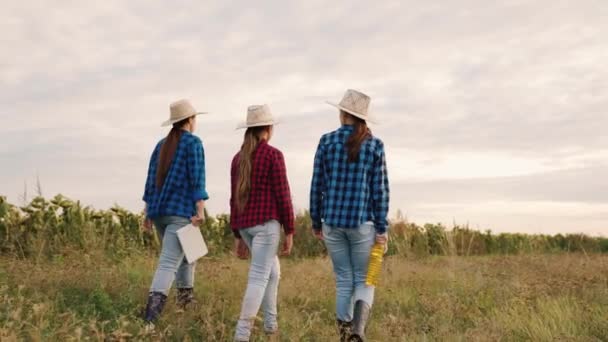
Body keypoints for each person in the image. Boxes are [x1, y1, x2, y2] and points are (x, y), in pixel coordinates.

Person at [310, 89, 390, 342]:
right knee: (365, 280)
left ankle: (345, 336)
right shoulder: (375, 145)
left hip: (332, 223)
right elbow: (380, 191)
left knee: (344, 280)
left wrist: (315, 221)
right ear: (363, 117)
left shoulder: (326, 141)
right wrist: (382, 228)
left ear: (343, 113)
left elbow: (317, 185)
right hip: (363, 224)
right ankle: (358, 330)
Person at [141, 99, 209, 324]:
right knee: (169, 262)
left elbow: (151, 181)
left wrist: (147, 212)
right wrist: (200, 209)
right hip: (181, 213)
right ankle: (150, 320)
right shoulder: (193, 143)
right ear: (190, 120)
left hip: (160, 212)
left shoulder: (161, 145)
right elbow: (197, 177)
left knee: (189, 257)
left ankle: (185, 308)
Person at [230, 104, 295, 341]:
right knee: (259, 276)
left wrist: (237, 235)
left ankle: (270, 326)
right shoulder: (273, 155)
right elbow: (283, 195)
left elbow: (233, 198)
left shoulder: (238, 159)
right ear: (269, 128)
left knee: (273, 273)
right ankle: (242, 334)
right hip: (267, 225)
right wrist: (290, 230)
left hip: (247, 226)